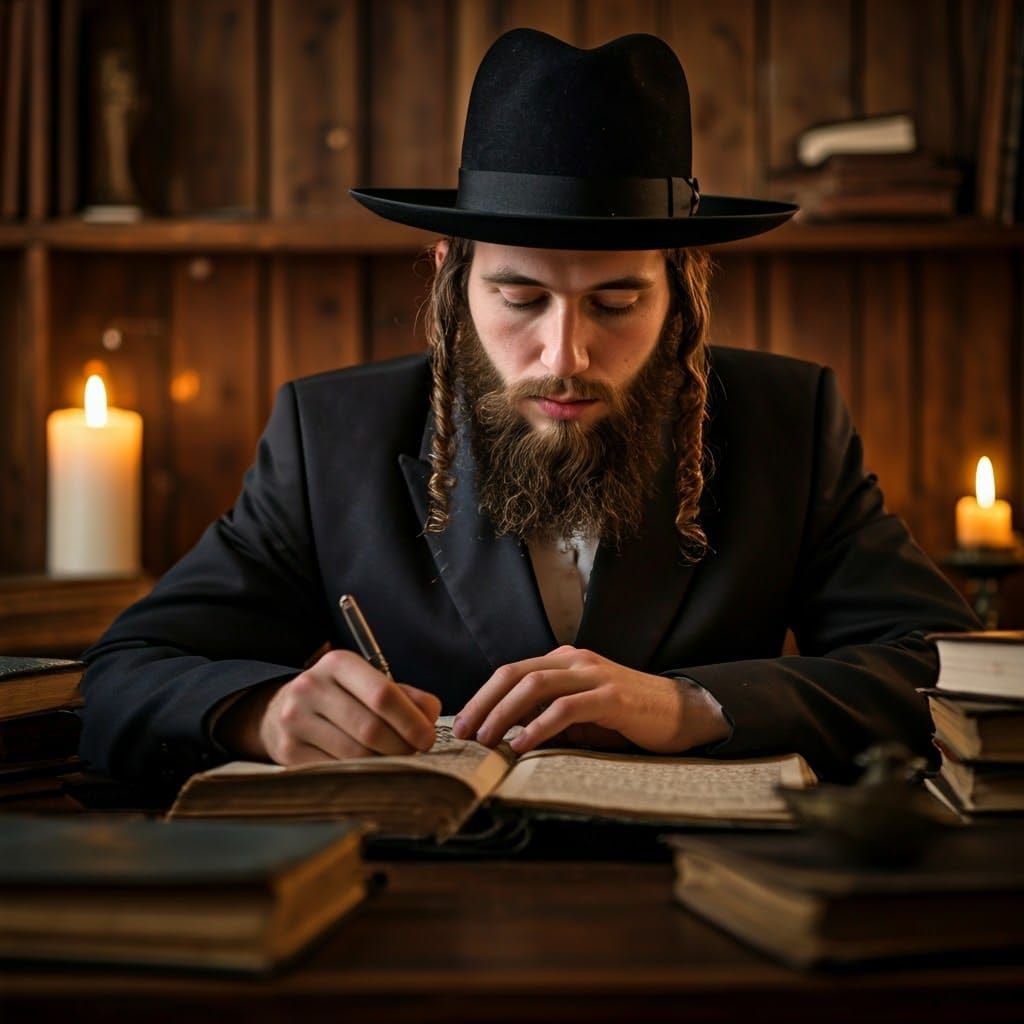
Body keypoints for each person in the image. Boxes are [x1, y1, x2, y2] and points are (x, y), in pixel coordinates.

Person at [79, 29, 979, 790]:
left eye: (617, 303)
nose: (566, 355)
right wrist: (259, 714)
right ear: (452, 280)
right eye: (519, 298)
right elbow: (127, 675)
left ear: (681, 294)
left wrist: (696, 706)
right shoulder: (329, 438)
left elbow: (948, 675)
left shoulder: (791, 422)